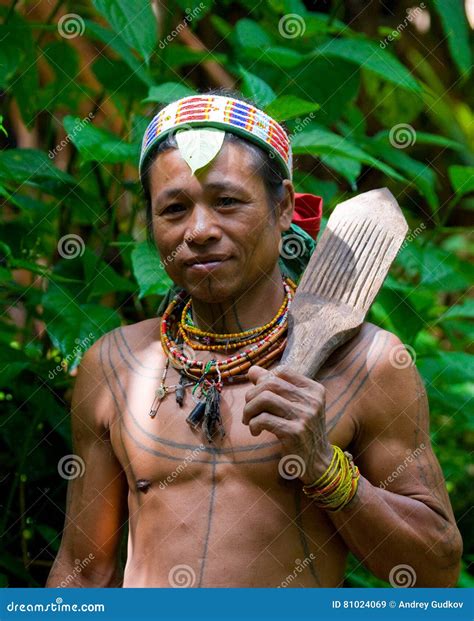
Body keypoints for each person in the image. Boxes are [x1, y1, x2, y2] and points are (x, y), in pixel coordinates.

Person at [46, 89, 462, 588]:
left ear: (283, 206)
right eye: (174, 209)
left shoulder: (370, 364)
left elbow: (436, 571)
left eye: (226, 202)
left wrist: (326, 468)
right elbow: (82, 570)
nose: (199, 230)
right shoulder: (112, 365)